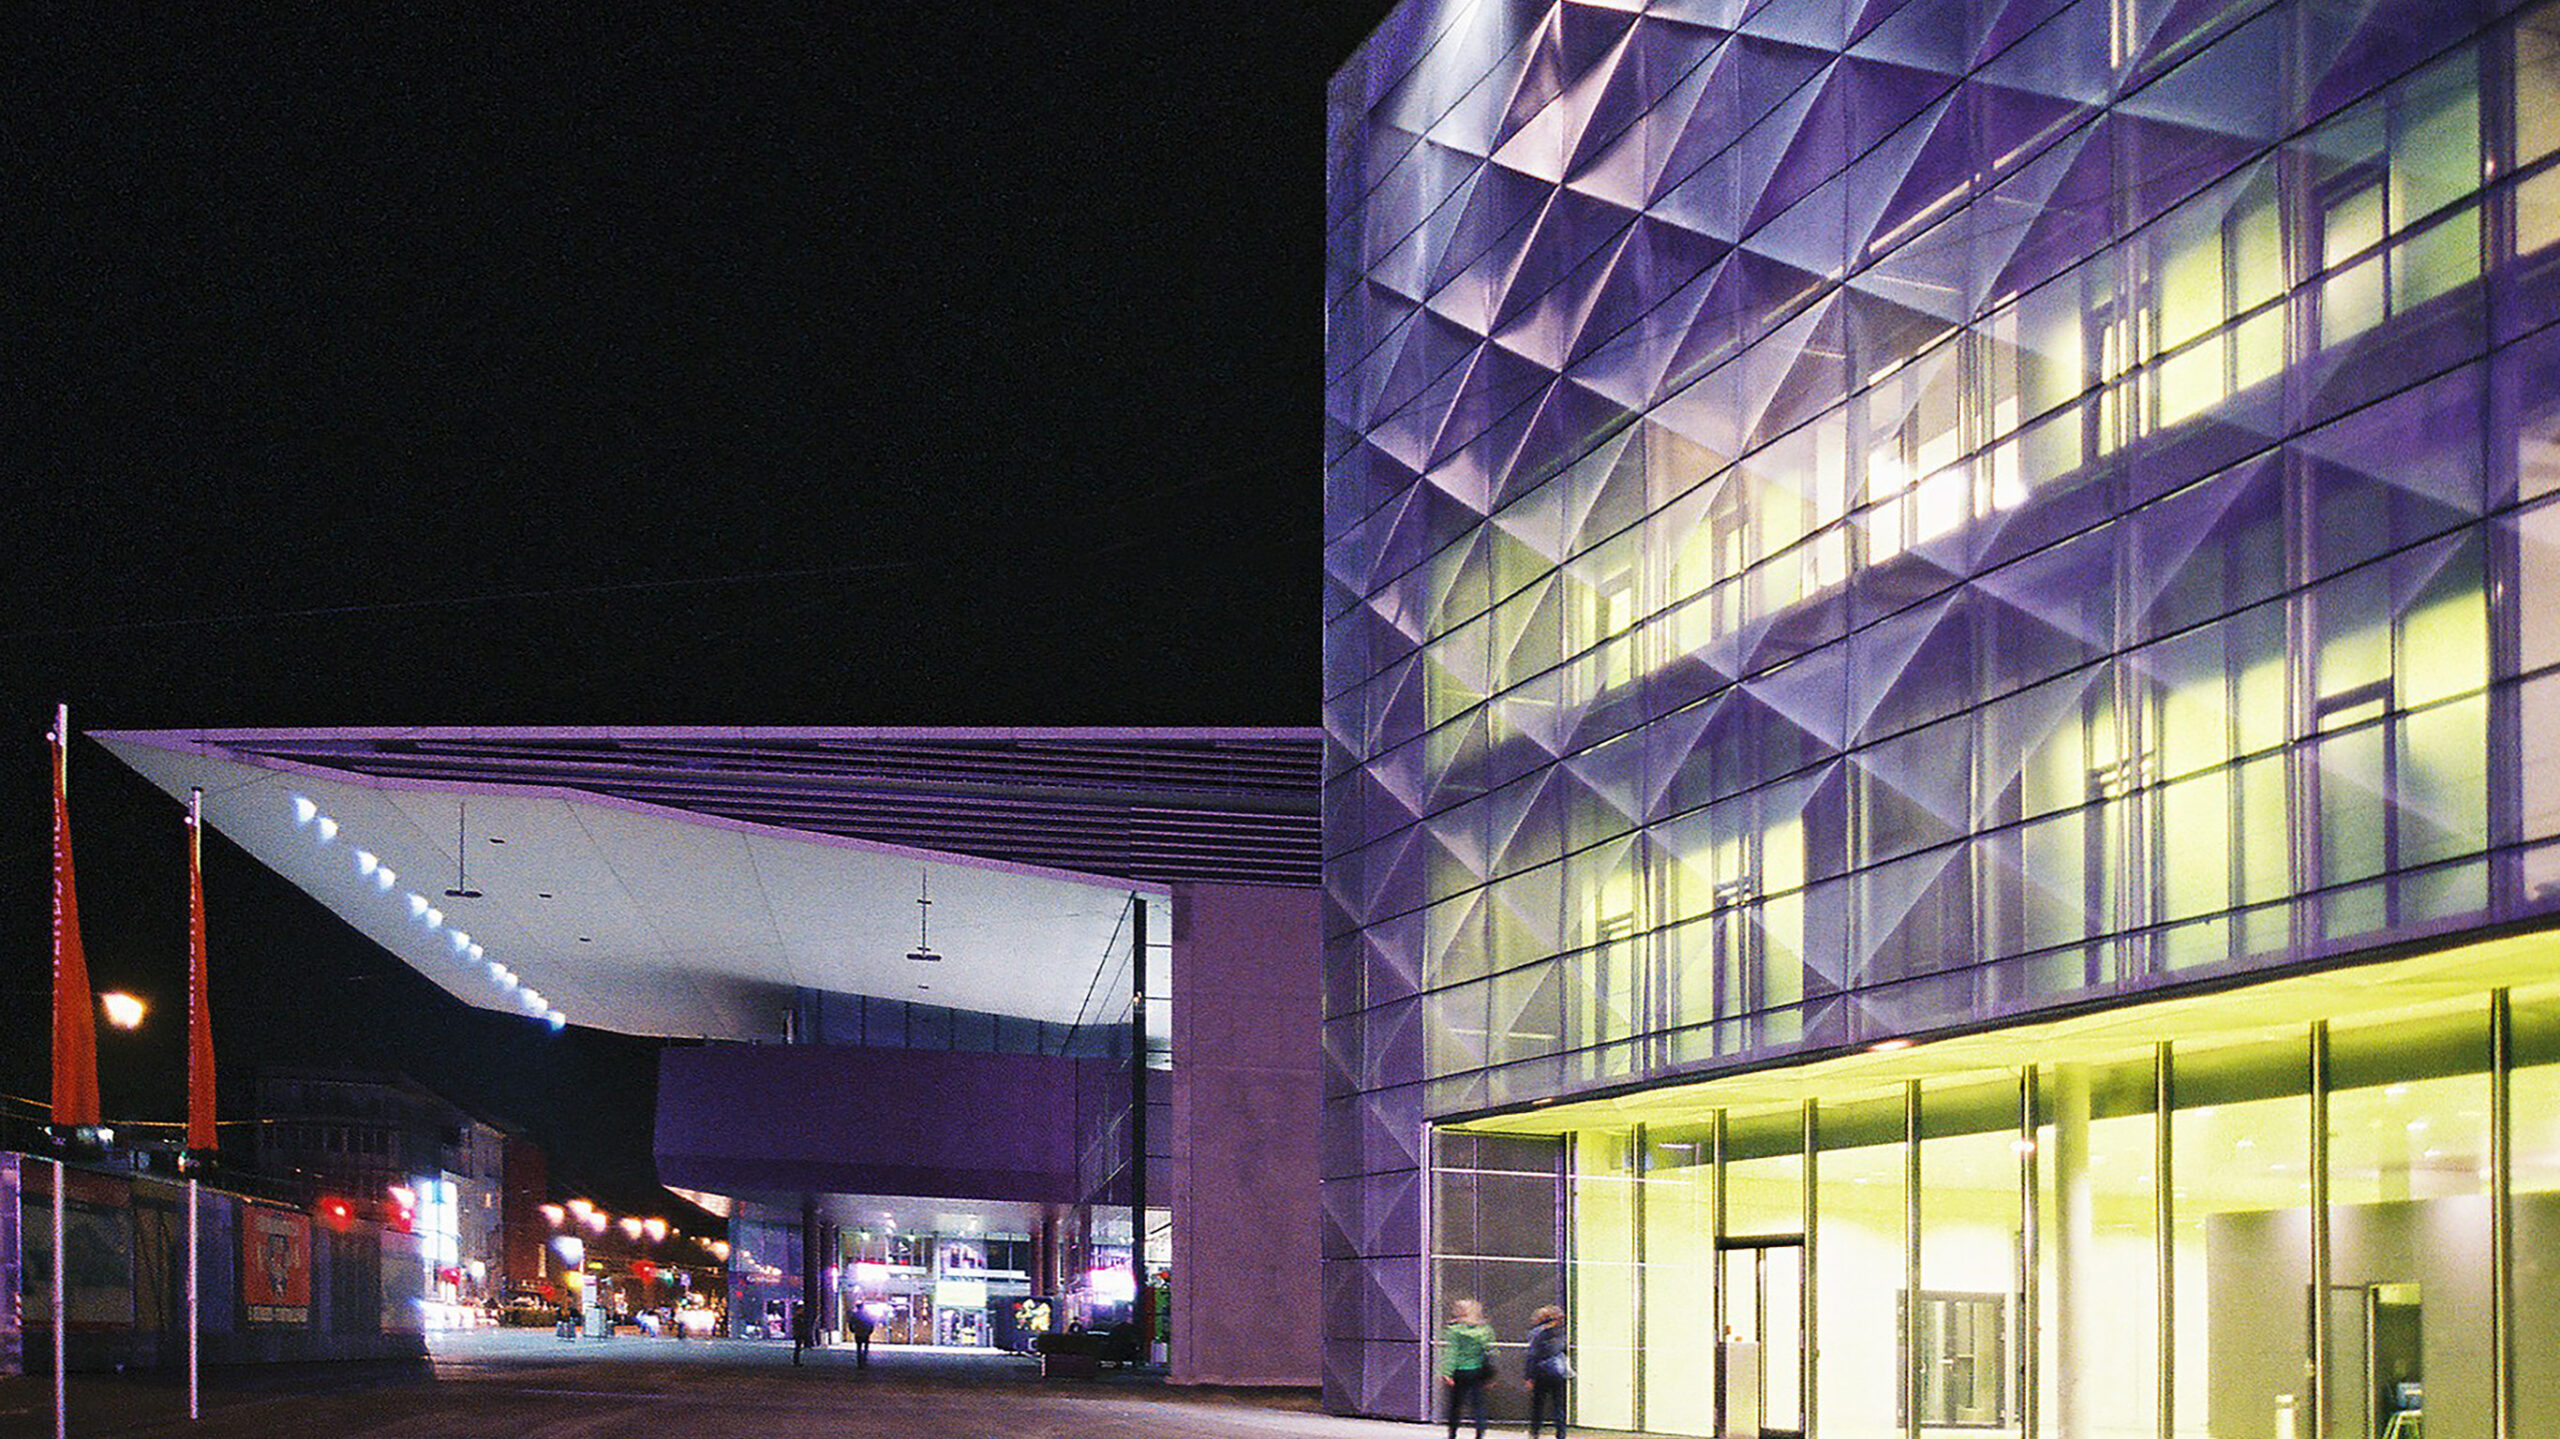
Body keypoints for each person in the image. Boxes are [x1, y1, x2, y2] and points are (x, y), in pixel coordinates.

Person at [1440, 1298, 1496, 1439]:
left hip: (1460, 1371)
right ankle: (1480, 1433)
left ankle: (1452, 1434)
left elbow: (1452, 1352)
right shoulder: (1485, 1329)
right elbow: (1491, 1351)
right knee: (1478, 1404)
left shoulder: (1454, 1330)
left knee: (1456, 1405)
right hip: (1478, 1370)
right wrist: (1491, 1374)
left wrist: (1447, 1372)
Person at [1525, 1304, 1570, 1439]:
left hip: (1541, 1371)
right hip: (1558, 1371)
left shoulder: (1537, 1333)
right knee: (1558, 1404)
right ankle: (1561, 1433)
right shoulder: (1561, 1333)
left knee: (1538, 1404)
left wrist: (1529, 1376)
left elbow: (1532, 1355)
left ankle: (1535, 1431)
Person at [851, 1303, 875, 1368]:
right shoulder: (867, 1314)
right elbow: (871, 1323)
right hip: (865, 1332)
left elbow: (851, 1322)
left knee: (859, 1347)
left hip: (858, 1332)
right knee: (865, 1347)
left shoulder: (855, 1314)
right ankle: (864, 1359)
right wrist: (870, 1330)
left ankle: (859, 1361)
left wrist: (852, 1329)